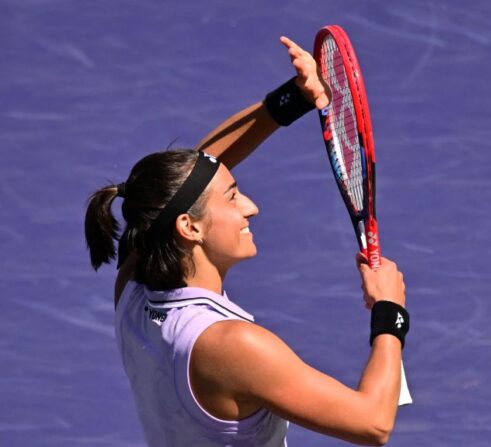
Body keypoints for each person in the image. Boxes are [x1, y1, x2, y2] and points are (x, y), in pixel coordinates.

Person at [84, 36, 409, 447]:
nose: (251, 207)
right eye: (234, 196)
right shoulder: (233, 346)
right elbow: (372, 423)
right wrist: (390, 313)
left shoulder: (133, 291)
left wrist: (293, 99)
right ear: (189, 227)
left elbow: (197, 169)